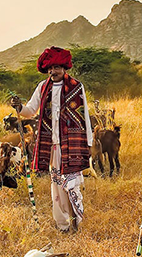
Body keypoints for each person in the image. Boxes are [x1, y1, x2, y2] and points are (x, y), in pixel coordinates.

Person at [11, 46, 92, 232]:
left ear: (64, 68)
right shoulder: (42, 87)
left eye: (56, 67)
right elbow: (31, 110)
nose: (52, 71)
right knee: (56, 186)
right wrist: (19, 106)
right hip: (52, 144)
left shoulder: (76, 86)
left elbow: (84, 114)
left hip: (71, 144)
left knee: (71, 185)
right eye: (50, 68)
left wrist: (88, 143)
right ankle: (62, 225)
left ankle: (75, 223)